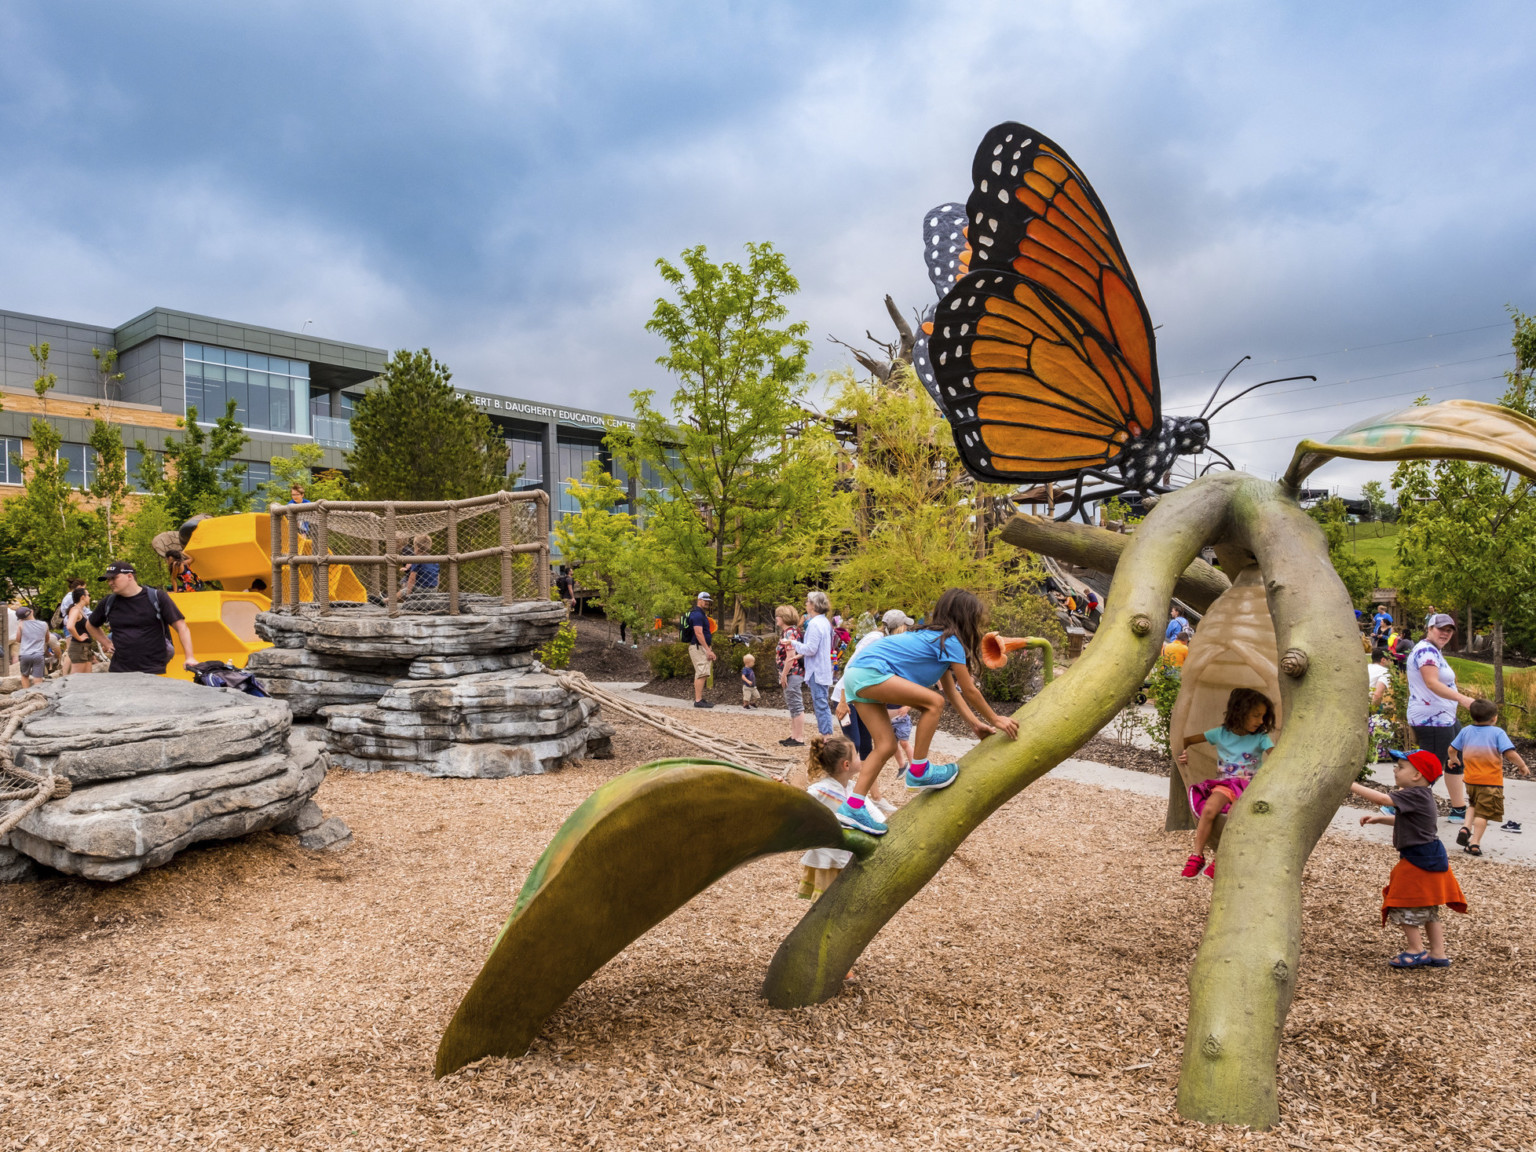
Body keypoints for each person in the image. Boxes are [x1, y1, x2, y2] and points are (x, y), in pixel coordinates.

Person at [834, 589, 1020, 835]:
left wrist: (975, 724)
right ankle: (919, 770)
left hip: (856, 675)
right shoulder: (950, 641)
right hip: (871, 671)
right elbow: (969, 689)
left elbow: (953, 691)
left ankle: (853, 806)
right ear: (966, 618)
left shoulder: (936, 640)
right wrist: (996, 718)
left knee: (887, 746)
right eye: (977, 619)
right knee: (933, 701)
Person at [1351, 750, 1466, 968]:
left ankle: (1416, 950)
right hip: (1430, 857)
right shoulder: (1421, 796)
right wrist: (1380, 819)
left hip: (1418, 861)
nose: (1395, 769)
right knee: (1429, 906)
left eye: (1401, 766)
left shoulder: (1414, 794)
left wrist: (1349, 784)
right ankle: (1438, 952)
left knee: (1402, 902)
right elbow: (1410, 822)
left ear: (1416, 775)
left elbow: (1382, 798)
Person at [1176, 688, 1277, 879]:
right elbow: (1183, 741)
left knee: (1235, 814)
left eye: (1263, 716)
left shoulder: (1261, 738)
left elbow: (1276, 754)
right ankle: (1197, 855)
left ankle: (1222, 857)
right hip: (1226, 784)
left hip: (1250, 786)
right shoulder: (1220, 734)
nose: (1261, 721)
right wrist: (1182, 753)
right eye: (1256, 715)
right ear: (1240, 712)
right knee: (1208, 810)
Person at [1405, 613, 1476, 823]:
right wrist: (1462, 699)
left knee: (1455, 759)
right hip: (1432, 720)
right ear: (1429, 628)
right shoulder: (1426, 650)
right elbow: (1432, 683)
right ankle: (1399, 805)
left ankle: (1458, 809)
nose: (1445, 633)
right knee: (1427, 766)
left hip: (1445, 718)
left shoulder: (1434, 650)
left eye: (1449, 630)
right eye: (1441, 629)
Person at [1449, 698, 1531, 856]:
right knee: (1483, 813)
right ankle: (1474, 843)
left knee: (1473, 804)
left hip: (1471, 780)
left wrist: (1454, 760)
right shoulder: (1497, 732)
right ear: (1494, 718)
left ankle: (1466, 827)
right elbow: (1510, 753)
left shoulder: (1466, 731)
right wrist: (1522, 766)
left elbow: (1452, 749)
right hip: (1490, 782)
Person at [86, 560, 198, 675]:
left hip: (152, 670)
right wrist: (106, 643)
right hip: (119, 671)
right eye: (108, 580)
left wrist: (189, 657)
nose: (110, 582)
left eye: (114, 578)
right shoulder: (108, 602)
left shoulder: (157, 597)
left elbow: (182, 627)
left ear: (129, 576)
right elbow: (90, 625)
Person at [797, 735, 856, 900]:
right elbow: (800, 804)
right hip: (829, 858)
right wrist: (784, 788)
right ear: (846, 765)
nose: (861, 758)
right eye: (857, 755)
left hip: (849, 855)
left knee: (846, 898)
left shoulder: (852, 787)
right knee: (826, 901)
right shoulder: (821, 790)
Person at [789, 590, 836, 736]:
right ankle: (826, 735)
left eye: (808, 601)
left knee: (820, 703)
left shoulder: (815, 624)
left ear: (814, 605)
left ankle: (826, 736)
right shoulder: (824, 622)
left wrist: (793, 643)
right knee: (821, 702)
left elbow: (811, 649)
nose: (806, 604)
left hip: (817, 670)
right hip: (821, 668)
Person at [774, 605, 806, 746]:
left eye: (778, 616)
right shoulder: (788, 632)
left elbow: (791, 657)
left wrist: (784, 675)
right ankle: (794, 735)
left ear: (784, 618)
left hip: (793, 673)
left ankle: (799, 738)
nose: (776, 619)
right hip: (789, 673)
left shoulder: (790, 634)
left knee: (796, 704)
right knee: (792, 704)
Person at [685, 592, 716, 709]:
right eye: (705, 600)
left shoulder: (700, 614)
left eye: (708, 600)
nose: (707, 602)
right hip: (698, 647)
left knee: (701, 673)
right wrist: (708, 650)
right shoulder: (697, 615)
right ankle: (698, 700)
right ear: (699, 600)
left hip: (701, 647)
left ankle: (699, 699)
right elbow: (698, 633)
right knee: (702, 673)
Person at [15, 607, 58, 688]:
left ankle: (26, 694)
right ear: (32, 611)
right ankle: (37, 694)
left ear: (20, 618)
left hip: (25, 654)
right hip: (39, 654)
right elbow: (47, 639)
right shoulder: (44, 624)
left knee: (25, 676)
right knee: (38, 677)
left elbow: (18, 639)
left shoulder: (21, 624)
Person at [64, 587, 95, 674]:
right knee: (76, 680)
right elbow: (70, 626)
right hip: (79, 647)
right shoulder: (75, 610)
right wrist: (79, 638)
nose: (90, 597)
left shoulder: (80, 610)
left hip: (85, 648)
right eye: (88, 595)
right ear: (82, 597)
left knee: (86, 679)